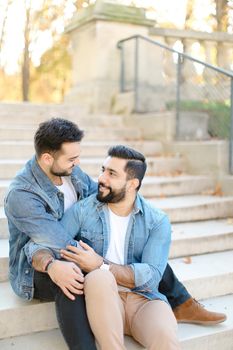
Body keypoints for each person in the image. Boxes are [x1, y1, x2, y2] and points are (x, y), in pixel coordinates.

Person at [4, 120, 226, 349]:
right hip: (37, 266)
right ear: (48, 158)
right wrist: (92, 263)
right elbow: (58, 242)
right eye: (72, 159)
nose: (78, 163)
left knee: (140, 239)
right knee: (72, 274)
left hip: (77, 242)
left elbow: (103, 198)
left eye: (77, 157)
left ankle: (182, 302)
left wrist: (129, 215)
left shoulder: (68, 168)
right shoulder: (22, 196)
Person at [31, 145, 181, 350]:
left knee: (166, 338)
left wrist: (101, 264)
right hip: (103, 298)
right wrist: (50, 265)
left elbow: (152, 276)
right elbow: (41, 245)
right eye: (103, 170)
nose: (101, 178)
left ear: (132, 184)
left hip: (145, 300)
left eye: (111, 173)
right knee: (99, 277)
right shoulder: (84, 210)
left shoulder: (157, 221)